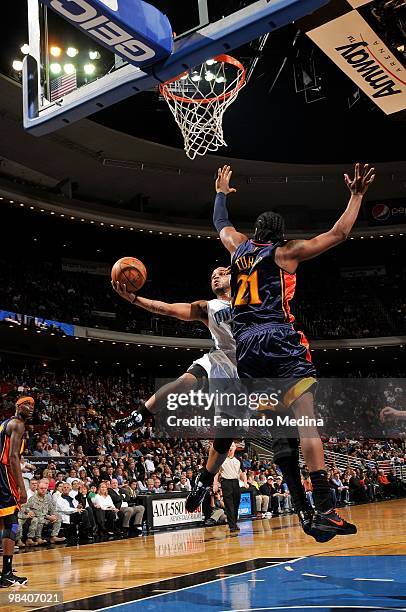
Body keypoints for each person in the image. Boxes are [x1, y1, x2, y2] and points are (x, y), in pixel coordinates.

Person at [211, 163, 375, 539]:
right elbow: (339, 232)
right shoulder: (285, 254)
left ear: (256, 231)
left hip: (247, 347)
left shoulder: (237, 248)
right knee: (306, 421)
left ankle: (303, 512)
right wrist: (356, 195)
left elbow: (220, 221)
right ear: (280, 235)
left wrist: (221, 192)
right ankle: (326, 507)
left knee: (279, 431)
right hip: (277, 338)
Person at [0, 396, 35, 587]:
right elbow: (12, 457)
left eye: (33, 405)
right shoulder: (17, 424)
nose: (30, 408)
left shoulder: (5, 423)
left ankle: (5, 571)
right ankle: (6, 573)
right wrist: (22, 488)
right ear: (17, 406)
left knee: (7, 524)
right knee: (12, 523)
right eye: (26, 404)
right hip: (5, 476)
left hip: (2, 474)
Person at [215, 443, 245, 533]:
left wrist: (245, 482)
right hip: (226, 482)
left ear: (235, 448)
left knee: (236, 504)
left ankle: (234, 523)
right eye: (229, 446)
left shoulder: (238, 459)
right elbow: (216, 472)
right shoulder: (221, 459)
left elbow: (242, 472)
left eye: (232, 445)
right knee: (229, 505)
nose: (230, 447)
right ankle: (232, 525)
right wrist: (215, 483)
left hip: (235, 482)